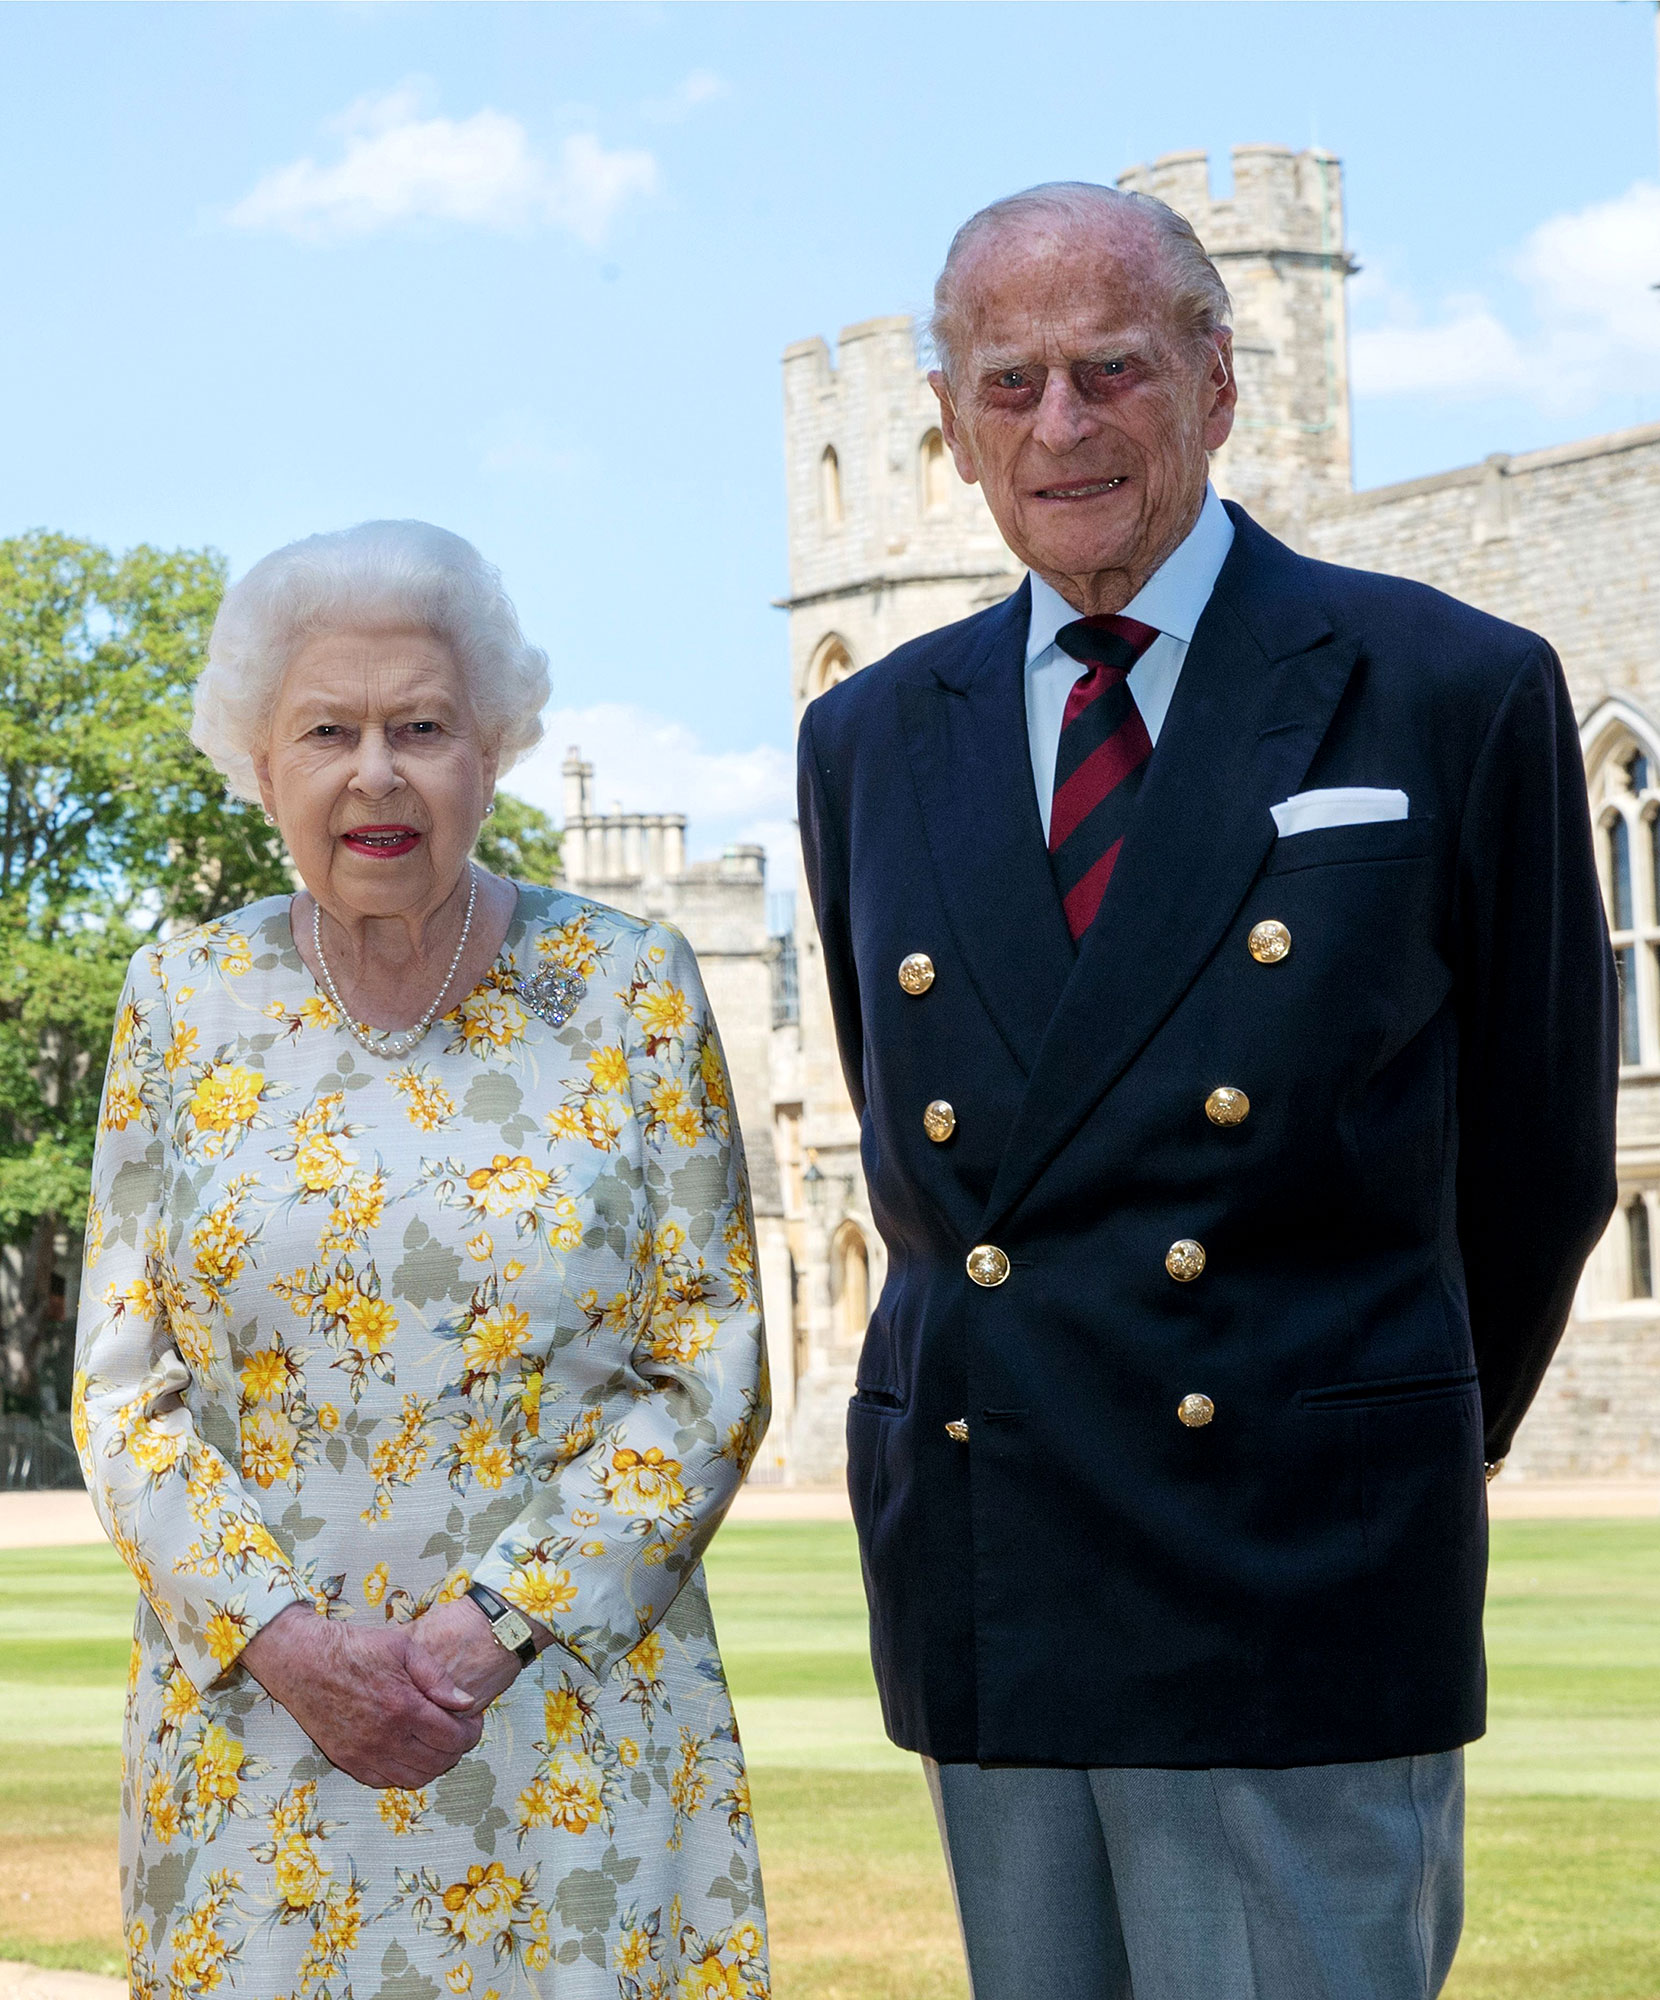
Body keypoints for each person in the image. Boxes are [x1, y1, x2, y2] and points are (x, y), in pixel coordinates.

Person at [796, 183, 1617, 2000]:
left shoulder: (1446, 687)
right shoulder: (869, 735)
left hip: (1299, 1564)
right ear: (948, 426)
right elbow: (920, 1140)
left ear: (1220, 385)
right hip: (999, 1563)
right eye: (1008, 386)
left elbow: (1548, 1153)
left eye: (1112, 369)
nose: (1062, 426)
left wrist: (1363, 1423)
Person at [74, 520, 771, 2000]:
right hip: (262, 1744)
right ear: (259, 764)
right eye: (328, 729)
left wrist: (495, 1625)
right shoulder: (180, 999)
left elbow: (709, 1362)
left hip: (567, 1728)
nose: (376, 772)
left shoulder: (632, 987)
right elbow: (125, 1386)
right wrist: (287, 1644)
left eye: (425, 726)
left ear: (494, 753)